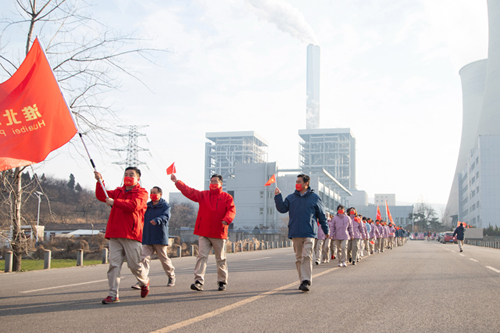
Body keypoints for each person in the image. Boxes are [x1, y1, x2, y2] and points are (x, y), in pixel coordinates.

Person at [171, 173, 235, 291]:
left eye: (216, 181)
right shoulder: (203, 195)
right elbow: (189, 191)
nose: (213, 183)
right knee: (201, 256)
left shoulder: (227, 197)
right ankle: (198, 281)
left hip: (219, 232)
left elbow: (232, 210)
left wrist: (227, 219)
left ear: (221, 183)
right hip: (204, 231)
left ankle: (222, 281)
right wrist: (177, 182)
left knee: (220, 258)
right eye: (212, 181)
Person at [95, 167, 149, 304]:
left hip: (131, 234)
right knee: (114, 265)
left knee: (134, 265)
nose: (128, 176)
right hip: (115, 234)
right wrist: (99, 181)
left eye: (131, 175)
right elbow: (102, 196)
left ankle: (144, 281)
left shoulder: (142, 193)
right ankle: (113, 294)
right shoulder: (118, 192)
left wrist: (115, 202)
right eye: (126, 174)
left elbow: (133, 206)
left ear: (138, 178)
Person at [274, 174, 329, 292]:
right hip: (295, 232)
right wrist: (278, 197)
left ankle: (306, 280)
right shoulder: (291, 198)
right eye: (296, 181)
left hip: (309, 232)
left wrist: (326, 230)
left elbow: (322, 216)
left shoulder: (315, 198)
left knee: (307, 256)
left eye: (299, 181)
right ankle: (302, 280)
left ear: (306, 184)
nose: (297, 183)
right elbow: (282, 209)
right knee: (299, 258)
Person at [131, 186, 175, 290]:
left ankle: (171, 276)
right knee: (144, 259)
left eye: (154, 192)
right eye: (151, 192)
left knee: (164, 259)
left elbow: (166, 217)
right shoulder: (147, 206)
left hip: (159, 237)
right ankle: (142, 280)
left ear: (160, 194)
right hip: (147, 236)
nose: (152, 194)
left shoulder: (165, 206)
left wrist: (157, 220)